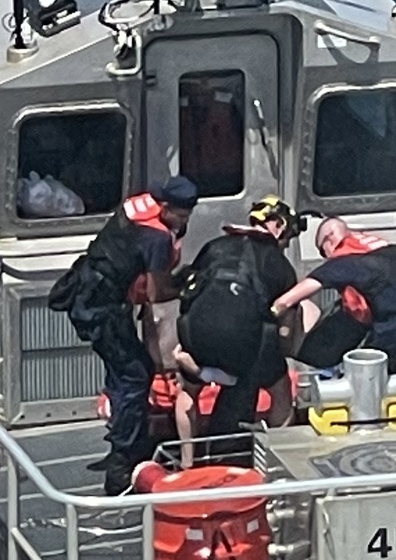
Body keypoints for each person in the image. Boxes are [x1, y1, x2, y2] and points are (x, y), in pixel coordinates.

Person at [51, 177, 199, 493]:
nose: (184, 222)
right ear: (167, 207)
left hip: (85, 291)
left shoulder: (136, 207)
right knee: (136, 376)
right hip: (103, 309)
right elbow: (159, 292)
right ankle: (122, 462)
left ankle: (123, 427)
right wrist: (187, 284)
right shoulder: (157, 238)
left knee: (124, 371)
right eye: (182, 216)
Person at [173, 195, 303, 464]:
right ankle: (277, 462)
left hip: (197, 331)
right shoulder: (280, 266)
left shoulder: (214, 246)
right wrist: (282, 354)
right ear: (277, 225)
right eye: (287, 237)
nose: (286, 244)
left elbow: (190, 290)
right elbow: (286, 334)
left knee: (188, 391)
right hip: (241, 338)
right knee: (280, 390)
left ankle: (187, 463)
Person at [272, 219, 396, 378]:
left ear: (330, 239)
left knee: (360, 374)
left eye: (322, 251)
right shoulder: (384, 250)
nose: (325, 257)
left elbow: (287, 300)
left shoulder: (344, 261)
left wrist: (269, 314)